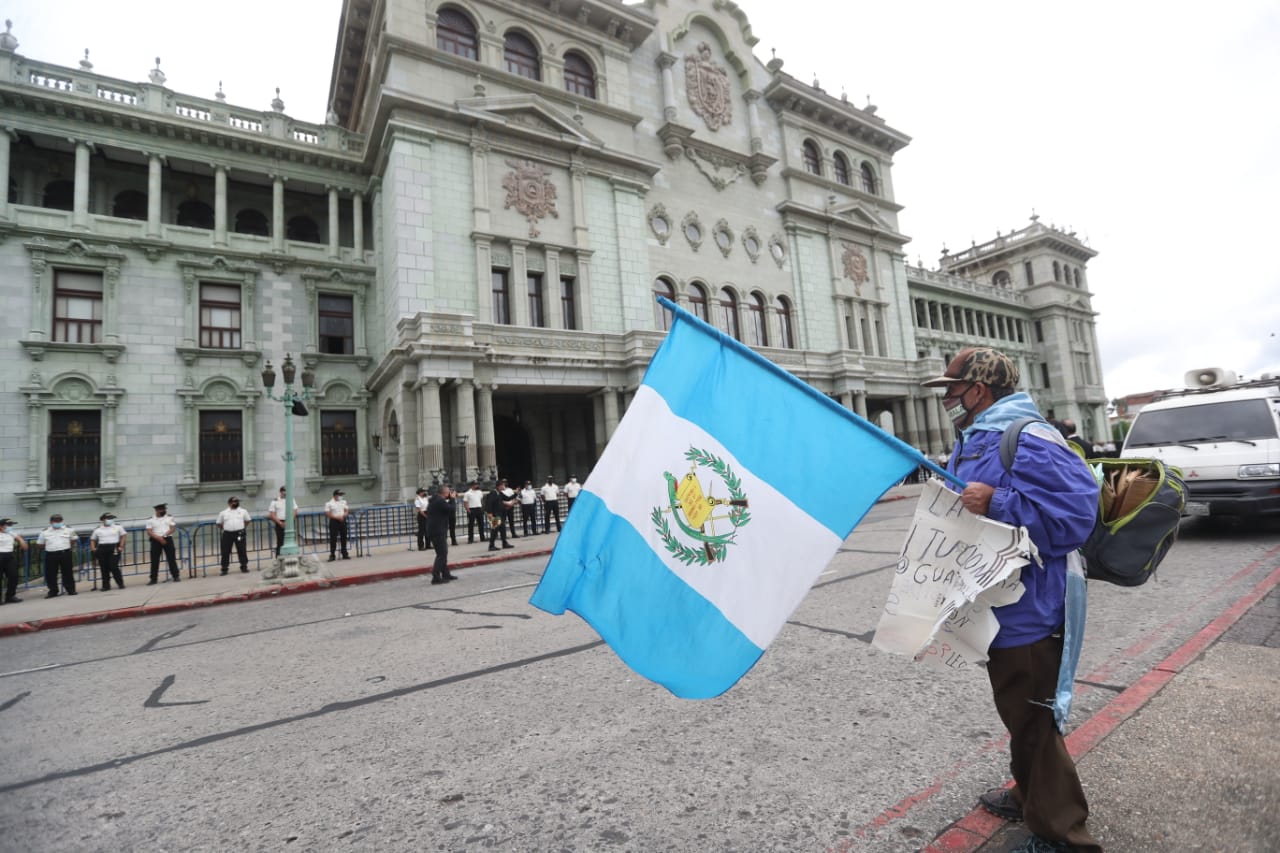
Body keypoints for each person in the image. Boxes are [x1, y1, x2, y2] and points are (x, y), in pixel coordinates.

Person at [922, 347, 1101, 853]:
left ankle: (1063, 834)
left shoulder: (1028, 438)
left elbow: (1072, 519)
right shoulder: (980, 437)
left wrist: (995, 501)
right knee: (1020, 710)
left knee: (1034, 716)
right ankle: (1029, 792)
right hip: (997, 602)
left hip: (1031, 609)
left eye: (952, 391)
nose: (948, 400)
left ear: (977, 391)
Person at [36, 513, 77, 598]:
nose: (58, 522)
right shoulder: (45, 532)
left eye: (60, 520)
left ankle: (71, 590)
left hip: (65, 553)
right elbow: (40, 544)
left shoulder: (69, 530)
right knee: (51, 574)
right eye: (56, 521)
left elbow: (73, 540)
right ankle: (53, 591)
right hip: (51, 554)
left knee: (68, 572)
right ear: (51, 522)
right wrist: (51, 547)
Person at [425, 484, 458, 584]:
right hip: (437, 530)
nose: (450, 493)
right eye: (449, 492)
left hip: (436, 529)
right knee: (442, 554)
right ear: (445, 493)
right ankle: (435, 576)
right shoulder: (439, 501)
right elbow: (451, 510)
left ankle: (445, 573)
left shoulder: (435, 500)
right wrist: (452, 499)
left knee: (442, 553)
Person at [146, 503, 181, 584]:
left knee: (171, 558)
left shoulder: (169, 517)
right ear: (157, 510)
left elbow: (172, 529)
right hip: (155, 540)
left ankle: (176, 576)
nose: (164, 511)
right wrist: (159, 538)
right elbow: (149, 532)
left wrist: (164, 536)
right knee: (154, 560)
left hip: (167, 539)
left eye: (164, 509)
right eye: (162, 509)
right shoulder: (150, 519)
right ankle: (153, 579)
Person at [90, 512, 127, 591]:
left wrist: (121, 546)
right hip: (102, 548)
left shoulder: (118, 527)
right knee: (104, 568)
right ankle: (106, 586)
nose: (110, 520)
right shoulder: (98, 529)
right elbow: (93, 539)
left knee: (114, 566)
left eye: (111, 518)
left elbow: (123, 536)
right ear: (103, 519)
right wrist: (93, 549)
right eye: (108, 518)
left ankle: (120, 583)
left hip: (114, 547)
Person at [216, 496, 251, 575]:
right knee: (225, 551)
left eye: (237, 502)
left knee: (241, 549)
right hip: (227, 534)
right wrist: (225, 527)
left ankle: (244, 566)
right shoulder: (223, 512)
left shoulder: (243, 511)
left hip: (239, 533)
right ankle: (224, 568)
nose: (236, 503)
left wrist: (242, 527)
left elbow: (247, 520)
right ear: (229, 503)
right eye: (234, 502)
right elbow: (218, 523)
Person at [0, 518, 28, 604]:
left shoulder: (11, 533)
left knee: (14, 576)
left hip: (10, 556)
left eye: (11, 525)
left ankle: (10, 596)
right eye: (8, 525)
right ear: (1, 526)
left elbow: (21, 541)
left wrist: (21, 541)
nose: (10, 527)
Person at [482, 483, 515, 552]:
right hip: (495, 514)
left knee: (503, 529)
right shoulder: (493, 493)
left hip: (501, 514)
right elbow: (489, 503)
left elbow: (507, 498)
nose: (504, 486)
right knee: (494, 530)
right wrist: (490, 513)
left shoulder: (500, 493)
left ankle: (504, 543)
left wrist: (516, 493)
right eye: (502, 485)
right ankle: (491, 545)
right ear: (499, 486)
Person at [267, 486, 296, 557]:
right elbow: (271, 514)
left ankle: (291, 556)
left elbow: (295, 511)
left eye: (286, 493)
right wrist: (280, 523)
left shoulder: (291, 499)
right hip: (279, 522)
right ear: (281, 492)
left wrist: (289, 521)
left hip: (289, 523)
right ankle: (279, 557)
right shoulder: (275, 501)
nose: (285, 494)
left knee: (291, 541)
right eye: (284, 493)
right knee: (280, 541)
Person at [325, 489, 350, 561]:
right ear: (335, 495)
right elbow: (328, 513)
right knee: (333, 538)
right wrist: (337, 517)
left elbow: (346, 510)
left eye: (342, 495)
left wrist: (344, 515)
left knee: (344, 537)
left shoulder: (343, 502)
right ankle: (332, 555)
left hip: (342, 521)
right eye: (340, 495)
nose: (341, 496)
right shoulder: (329, 503)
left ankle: (344, 553)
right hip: (334, 522)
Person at [413, 486, 431, 551]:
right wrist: (425, 515)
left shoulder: (425, 498)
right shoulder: (417, 499)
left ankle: (428, 544)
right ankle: (421, 546)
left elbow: (428, 505)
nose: (424, 493)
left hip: (427, 512)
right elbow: (419, 510)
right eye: (423, 492)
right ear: (420, 493)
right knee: (421, 531)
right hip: (422, 515)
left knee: (428, 530)